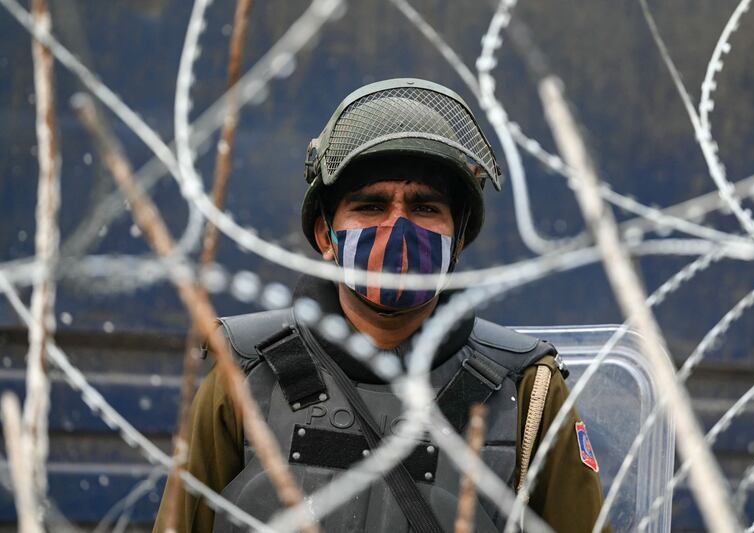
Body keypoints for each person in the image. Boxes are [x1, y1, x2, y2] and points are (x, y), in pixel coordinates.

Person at [154, 78, 609, 532]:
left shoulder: (528, 392)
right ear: (324, 235)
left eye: (425, 208)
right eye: (370, 207)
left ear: (459, 239)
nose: (399, 229)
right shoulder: (246, 375)